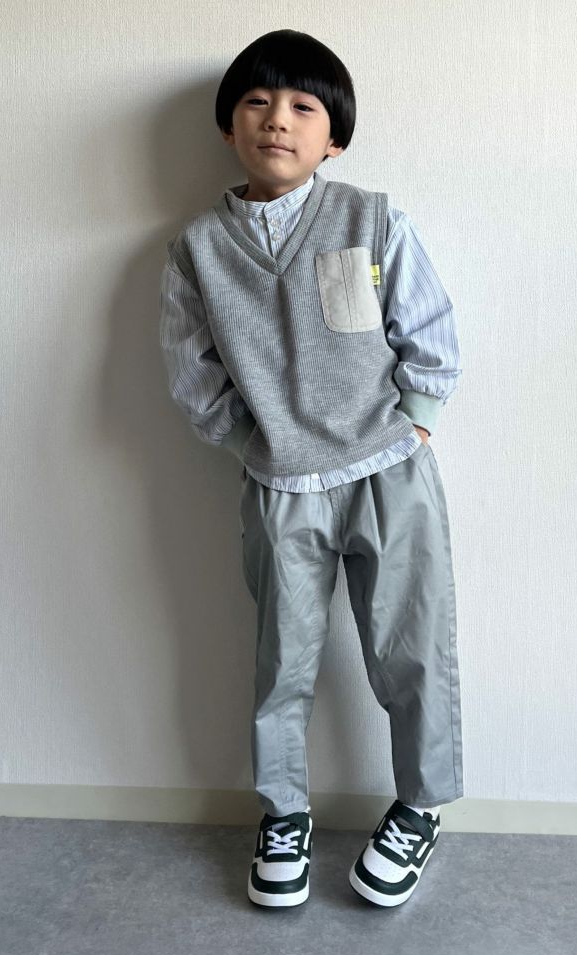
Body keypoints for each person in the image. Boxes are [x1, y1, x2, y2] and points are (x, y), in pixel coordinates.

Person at [159, 28, 463, 909]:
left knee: (410, 647)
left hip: (386, 472)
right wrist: (252, 444)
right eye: (256, 102)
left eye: (302, 106)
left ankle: (421, 805)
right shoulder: (197, 250)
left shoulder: (370, 219)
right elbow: (191, 374)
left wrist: (417, 426)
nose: (277, 120)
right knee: (282, 660)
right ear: (228, 127)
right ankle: (283, 812)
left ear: (335, 138)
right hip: (279, 486)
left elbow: (428, 329)